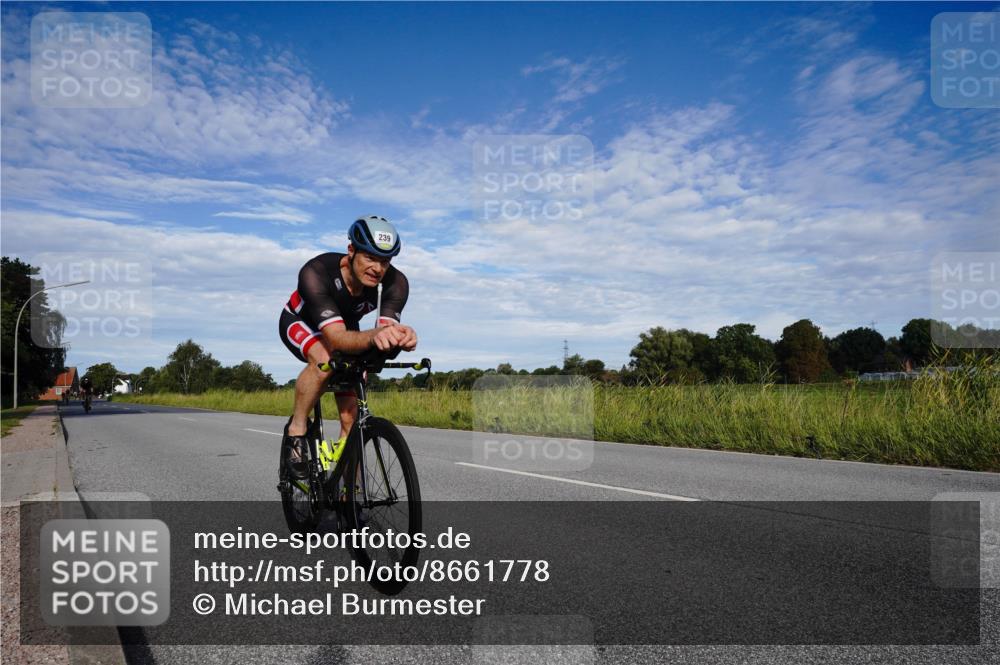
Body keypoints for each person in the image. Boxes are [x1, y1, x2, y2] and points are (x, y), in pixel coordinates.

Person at [278, 215, 418, 478]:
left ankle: (347, 498)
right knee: (324, 358)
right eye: (370, 258)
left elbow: (382, 337)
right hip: (302, 321)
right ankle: (296, 429)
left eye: (385, 261)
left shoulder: (396, 284)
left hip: (345, 327)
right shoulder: (316, 272)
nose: (378, 268)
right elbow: (336, 339)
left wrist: (400, 337)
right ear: (351, 250)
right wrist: (376, 335)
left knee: (352, 420)